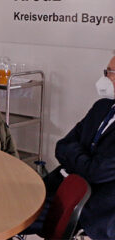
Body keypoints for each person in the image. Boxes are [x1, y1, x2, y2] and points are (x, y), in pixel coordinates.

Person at [28, 55, 115, 239]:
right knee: (11, 201)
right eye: (106, 71)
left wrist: (75, 159)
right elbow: (62, 146)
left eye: (110, 72)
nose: (105, 77)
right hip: (59, 185)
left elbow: (96, 172)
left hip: (88, 205)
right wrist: (84, 161)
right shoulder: (102, 107)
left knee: (15, 214)